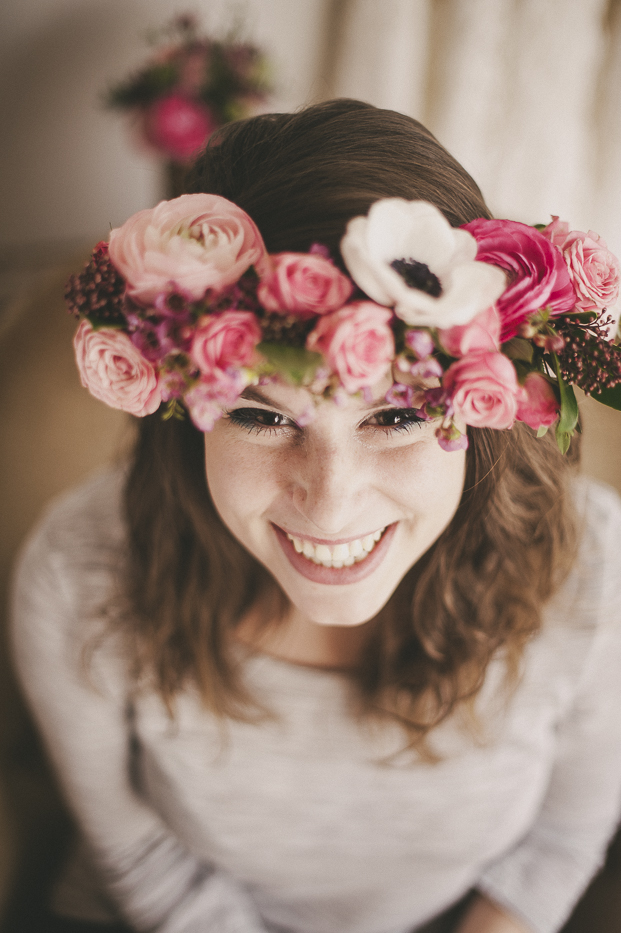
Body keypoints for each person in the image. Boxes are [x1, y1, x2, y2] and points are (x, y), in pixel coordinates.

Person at [11, 99, 621, 933]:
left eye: (397, 415)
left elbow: (562, 836)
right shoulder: (80, 571)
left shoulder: (592, 569)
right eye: (261, 416)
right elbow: (135, 848)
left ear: (482, 410)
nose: (330, 502)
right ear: (185, 408)